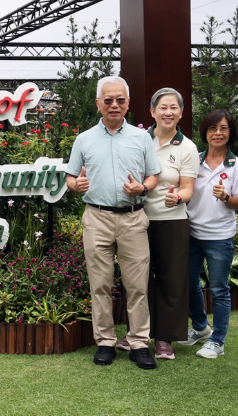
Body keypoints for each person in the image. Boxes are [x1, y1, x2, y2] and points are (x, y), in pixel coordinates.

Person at [65, 76, 163, 369]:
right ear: (98, 104)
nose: (114, 105)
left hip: (133, 218)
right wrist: (76, 185)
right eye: (108, 100)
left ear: (128, 104)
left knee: (137, 286)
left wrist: (142, 189)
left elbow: (153, 175)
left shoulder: (141, 137)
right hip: (96, 217)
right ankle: (105, 341)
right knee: (100, 285)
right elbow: (71, 176)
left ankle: (138, 342)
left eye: (120, 100)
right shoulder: (84, 139)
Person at [128, 88, 199, 360]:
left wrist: (177, 197)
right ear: (152, 111)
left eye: (174, 108)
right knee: (139, 280)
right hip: (137, 219)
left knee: (171, 280)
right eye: (162, 107)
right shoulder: (137, 140)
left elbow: (188, 188)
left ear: (181, 113)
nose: (168, 112)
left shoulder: (188, 147)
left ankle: (165, 339)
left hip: (172, 221)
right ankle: (138, 334)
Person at [182, 109, 238, 359]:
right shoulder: (192, 160)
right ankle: (200, 328)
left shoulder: (236, 166)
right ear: (204, 132)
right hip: (191, 233)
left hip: (220, 236)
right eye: (212, 128)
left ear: (230, 133)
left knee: (219, 289)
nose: (217, 133)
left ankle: (218, 341)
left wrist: (226, 197)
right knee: (188, 283)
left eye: (223, 128)